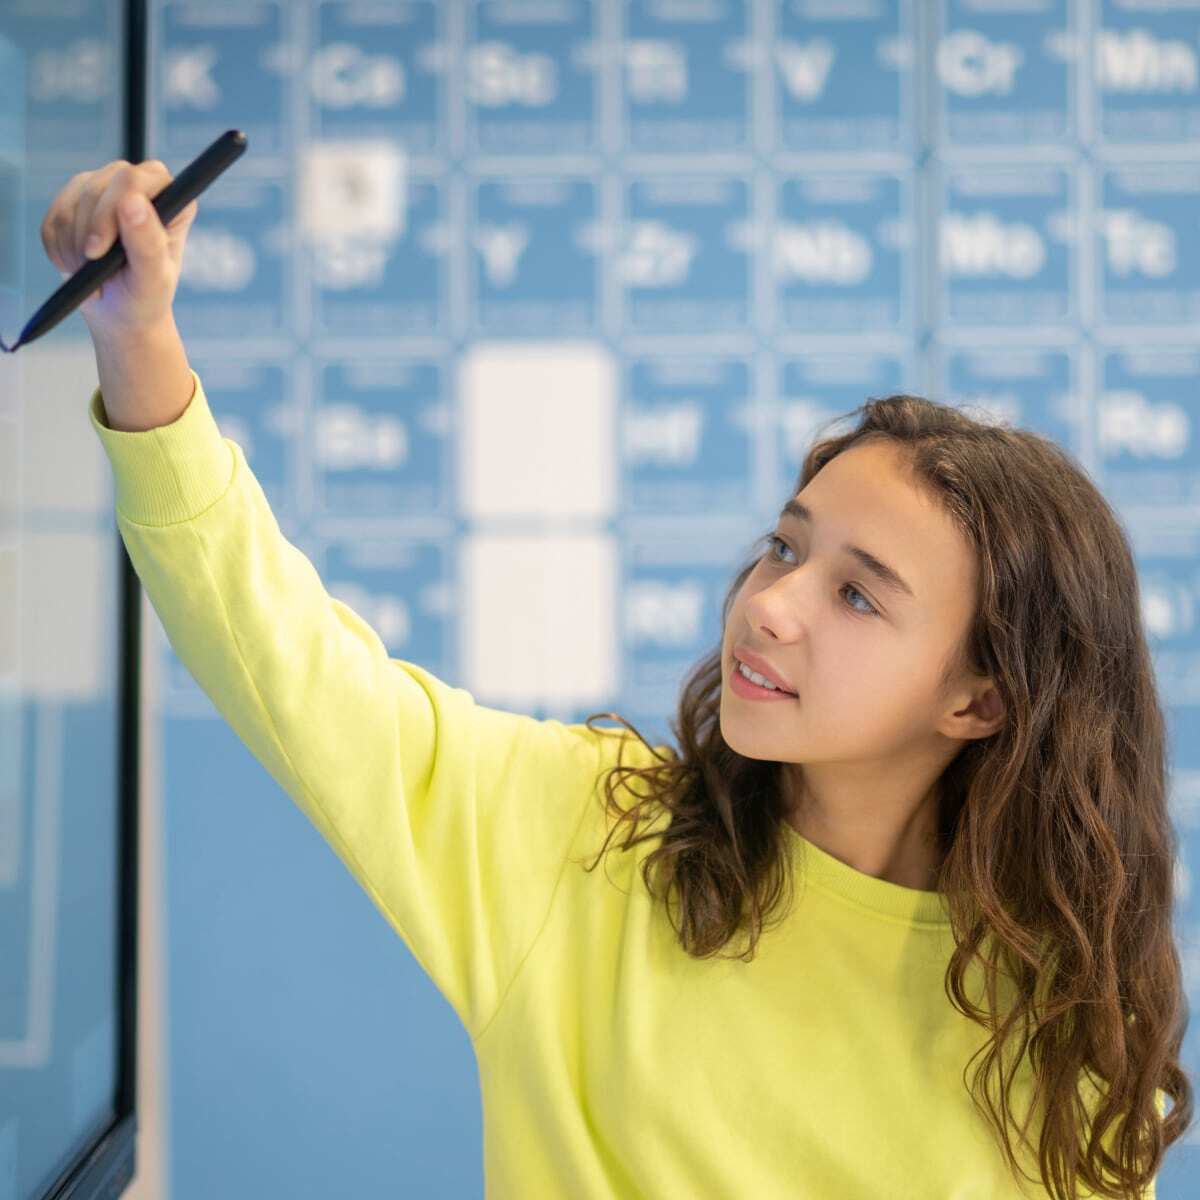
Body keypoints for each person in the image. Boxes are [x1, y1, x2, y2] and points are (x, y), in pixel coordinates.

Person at [42, 160, 1192, 1199]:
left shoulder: (1059, 1052)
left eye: (857, 594)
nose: (770, 603)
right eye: (786, 548)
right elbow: (281, 654)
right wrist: (139, 334)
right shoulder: (591, 836)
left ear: (979, 699)